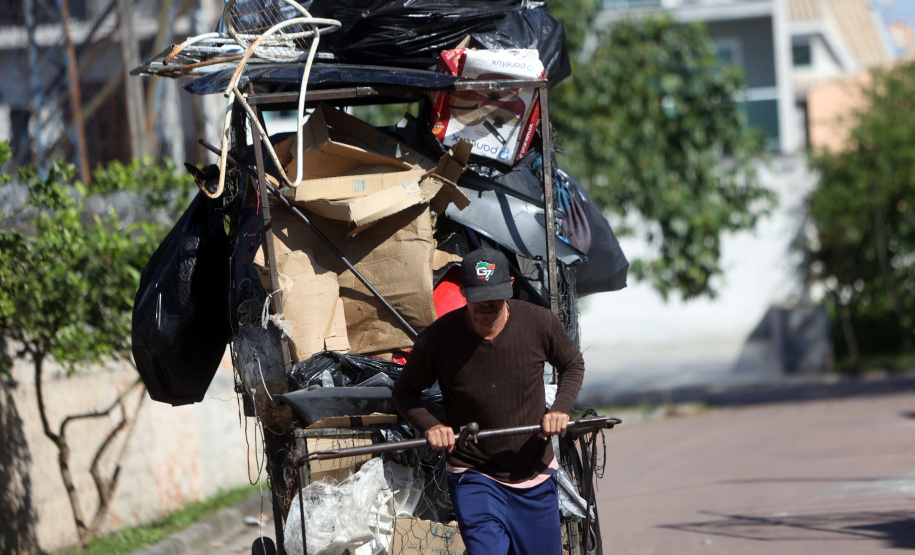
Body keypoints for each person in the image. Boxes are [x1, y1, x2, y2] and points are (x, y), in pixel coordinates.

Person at [392, 247, 585, 555]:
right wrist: (431, 425)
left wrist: (560, 409)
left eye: (494, 296)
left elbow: (572, 364)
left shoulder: (539, 323)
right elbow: (404, 391)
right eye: (478, 297)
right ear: (463, 291)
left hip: (533, 472)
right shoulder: (438, 339)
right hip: (474, 473)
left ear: (510, 286)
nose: (486, 305)